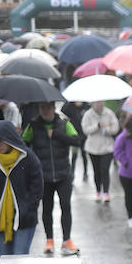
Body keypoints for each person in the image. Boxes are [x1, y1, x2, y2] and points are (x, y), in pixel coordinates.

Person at [23, 101, 82, 255]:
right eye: (42, 107)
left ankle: (66, 240)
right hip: (44, 175)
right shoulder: (33, 125)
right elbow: (23, 145)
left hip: (63, 174)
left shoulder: (64, 123)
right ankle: (49, 240)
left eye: (48, 107)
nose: (45, 110)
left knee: (65, 206)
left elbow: (77, 140)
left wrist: (56, 134)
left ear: (53, 108)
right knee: (46, 209)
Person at [0, 120, 43, 255]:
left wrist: (28, 208)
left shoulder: (27, 157)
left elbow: (37, 187)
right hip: (0, 220)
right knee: (3, 262)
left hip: (24, 220)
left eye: (1, 141)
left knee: (20, 258)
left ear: (10, 138)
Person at [82, 100, 120, 203]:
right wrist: (97, 126)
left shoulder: (109, 113)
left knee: (105, 170)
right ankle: (98, 191)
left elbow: (115, 128)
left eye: (101, 102)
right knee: (96, 171)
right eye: (97, 102)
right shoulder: (88, 114)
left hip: (107, 147)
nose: (100, 104)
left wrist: (105, 130)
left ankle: (106, 193)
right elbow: (85, 130)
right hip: (92, 148)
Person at [61, 101, 90, 181]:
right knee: (74, 156)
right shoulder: (70, 106)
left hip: (84, 136)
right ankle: (72, 173)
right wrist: (69, 101)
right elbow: (63, 110)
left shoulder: (86, 106)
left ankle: (85, 173)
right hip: (75, 136)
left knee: (84, 155)